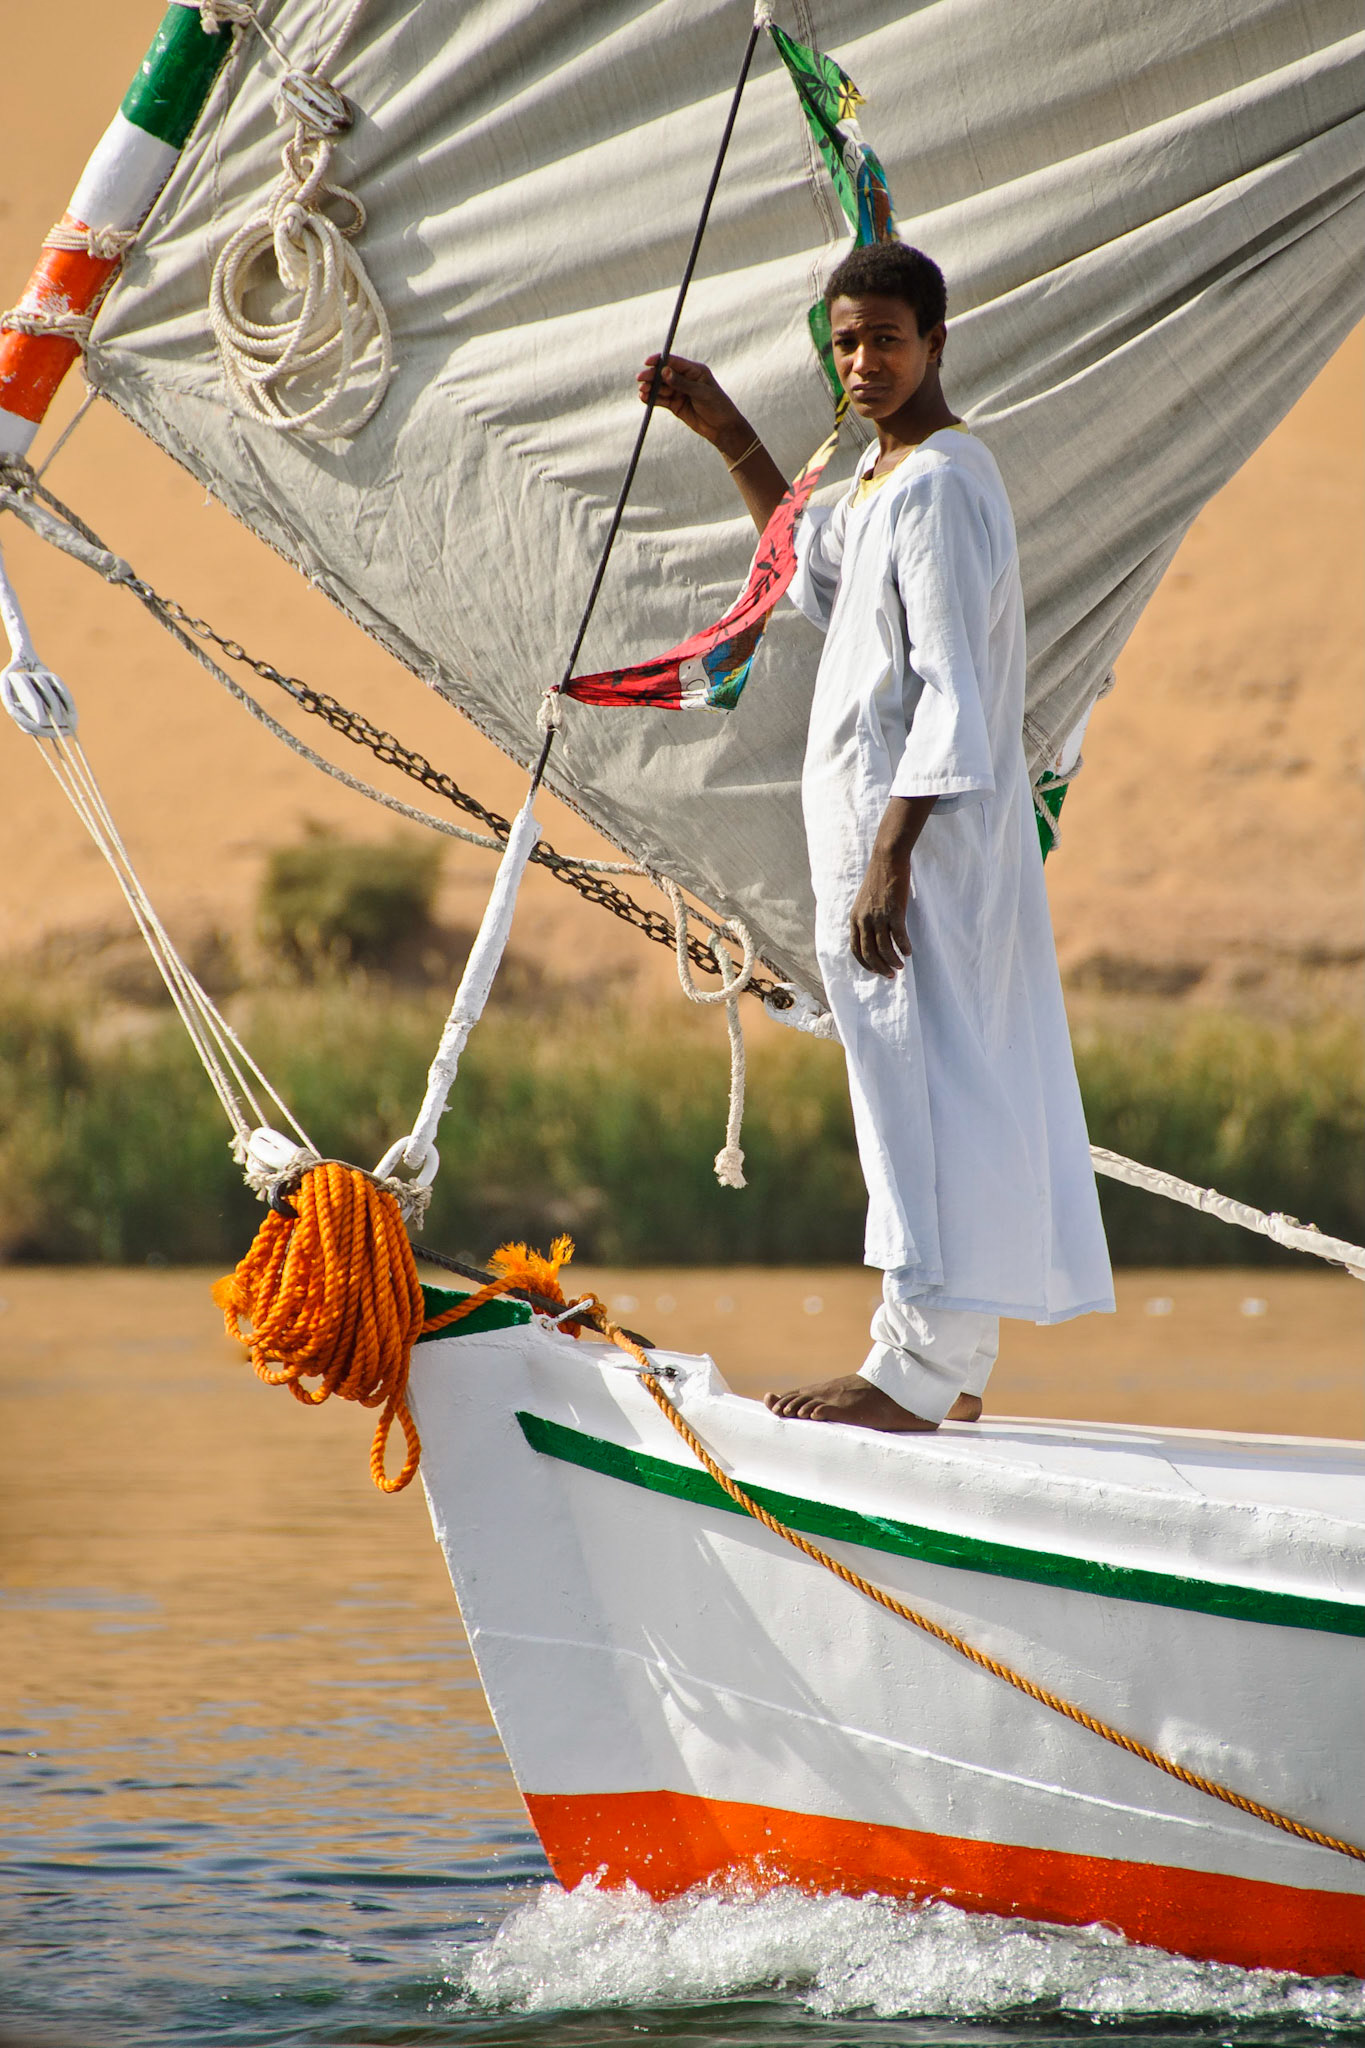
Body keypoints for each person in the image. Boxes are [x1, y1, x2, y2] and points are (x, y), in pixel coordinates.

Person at [639, 240, 1113, 1434]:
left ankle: (912, 1369)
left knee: (921, 1088)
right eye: (846, 343)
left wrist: (890, 861)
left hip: (918, 854)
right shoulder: (881, 478)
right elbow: (807, 574)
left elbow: (955, 690)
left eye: (887, 340)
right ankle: (950, 1361)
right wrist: (726, 428)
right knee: (923, 1080)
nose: (864, 363)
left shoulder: (943, 483)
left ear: (935, 342)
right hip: (884, 850)